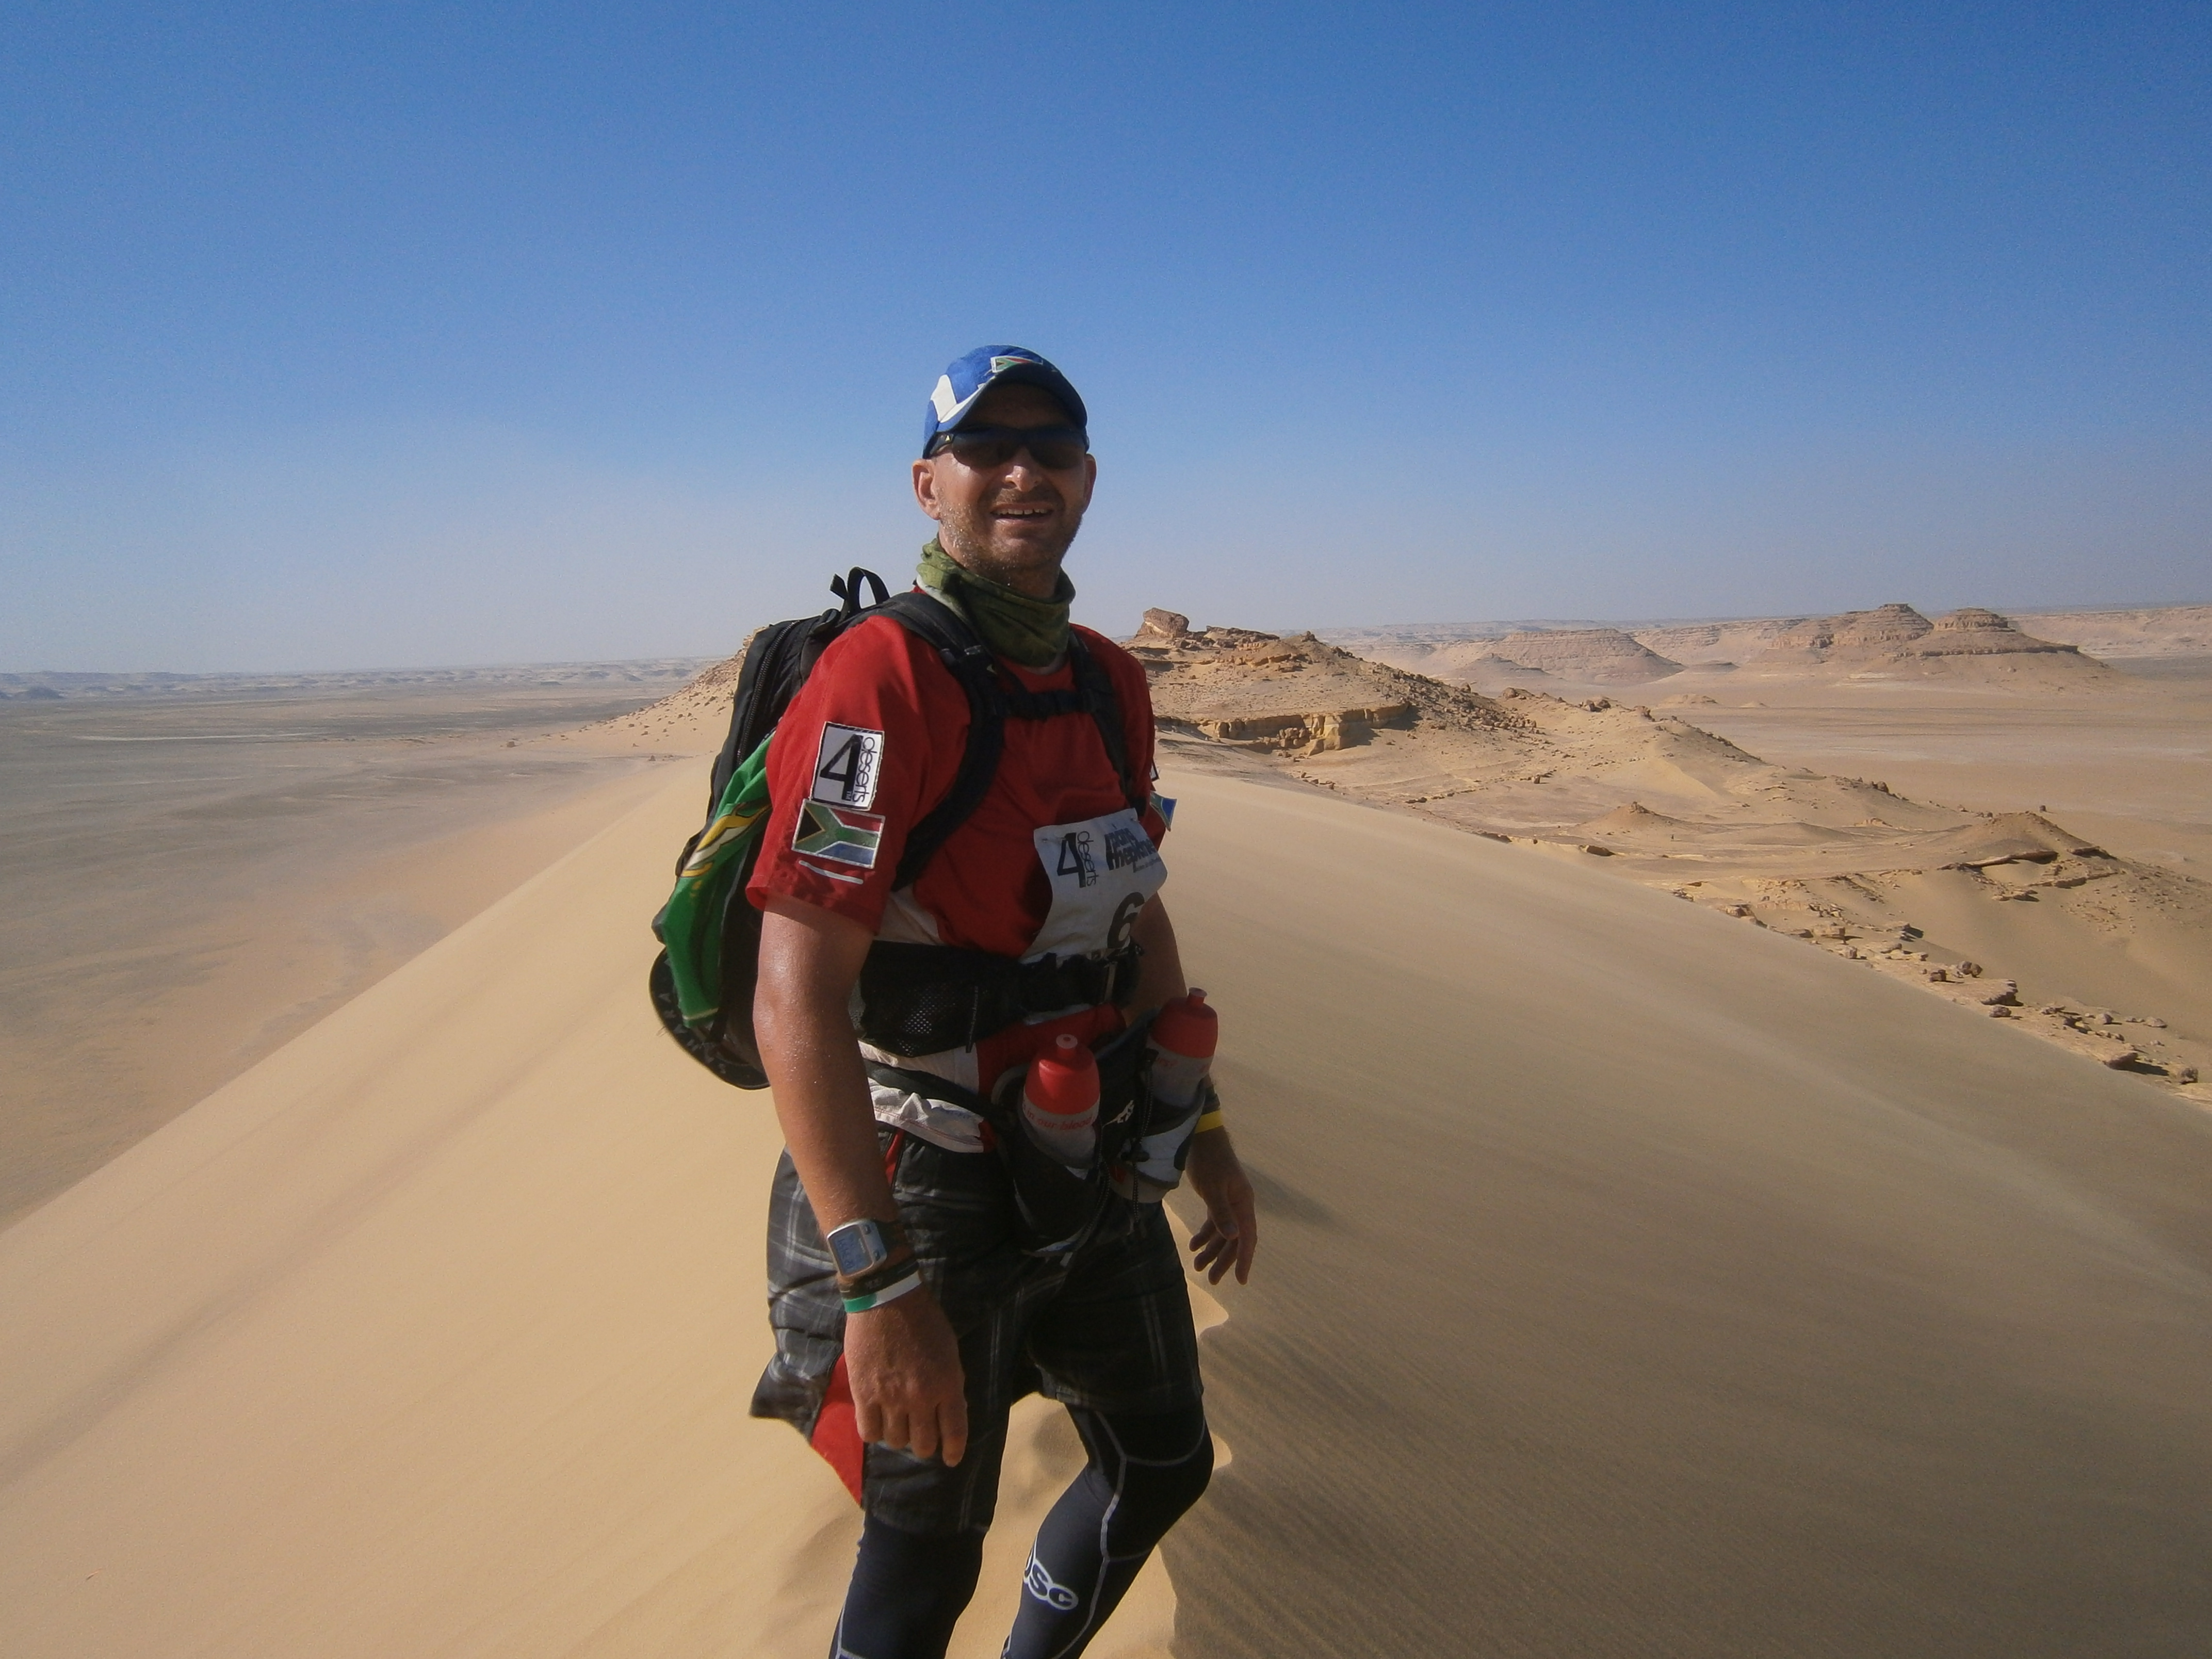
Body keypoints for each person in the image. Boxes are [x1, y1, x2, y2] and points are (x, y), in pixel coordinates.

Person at [745, 345, 1259, 1658]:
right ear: (929, 486)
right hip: (926, 1172)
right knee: (924, 1549)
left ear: (1088, 478)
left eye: (1051, 448)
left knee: (1163, 1459)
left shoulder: (1107, 680)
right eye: (984, 448)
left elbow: (1134, 912)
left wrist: (1203, 1133)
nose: (1022, 472)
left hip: (1089, 1143)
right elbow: (794, 992)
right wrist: (875, 1285)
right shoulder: (878, 681)